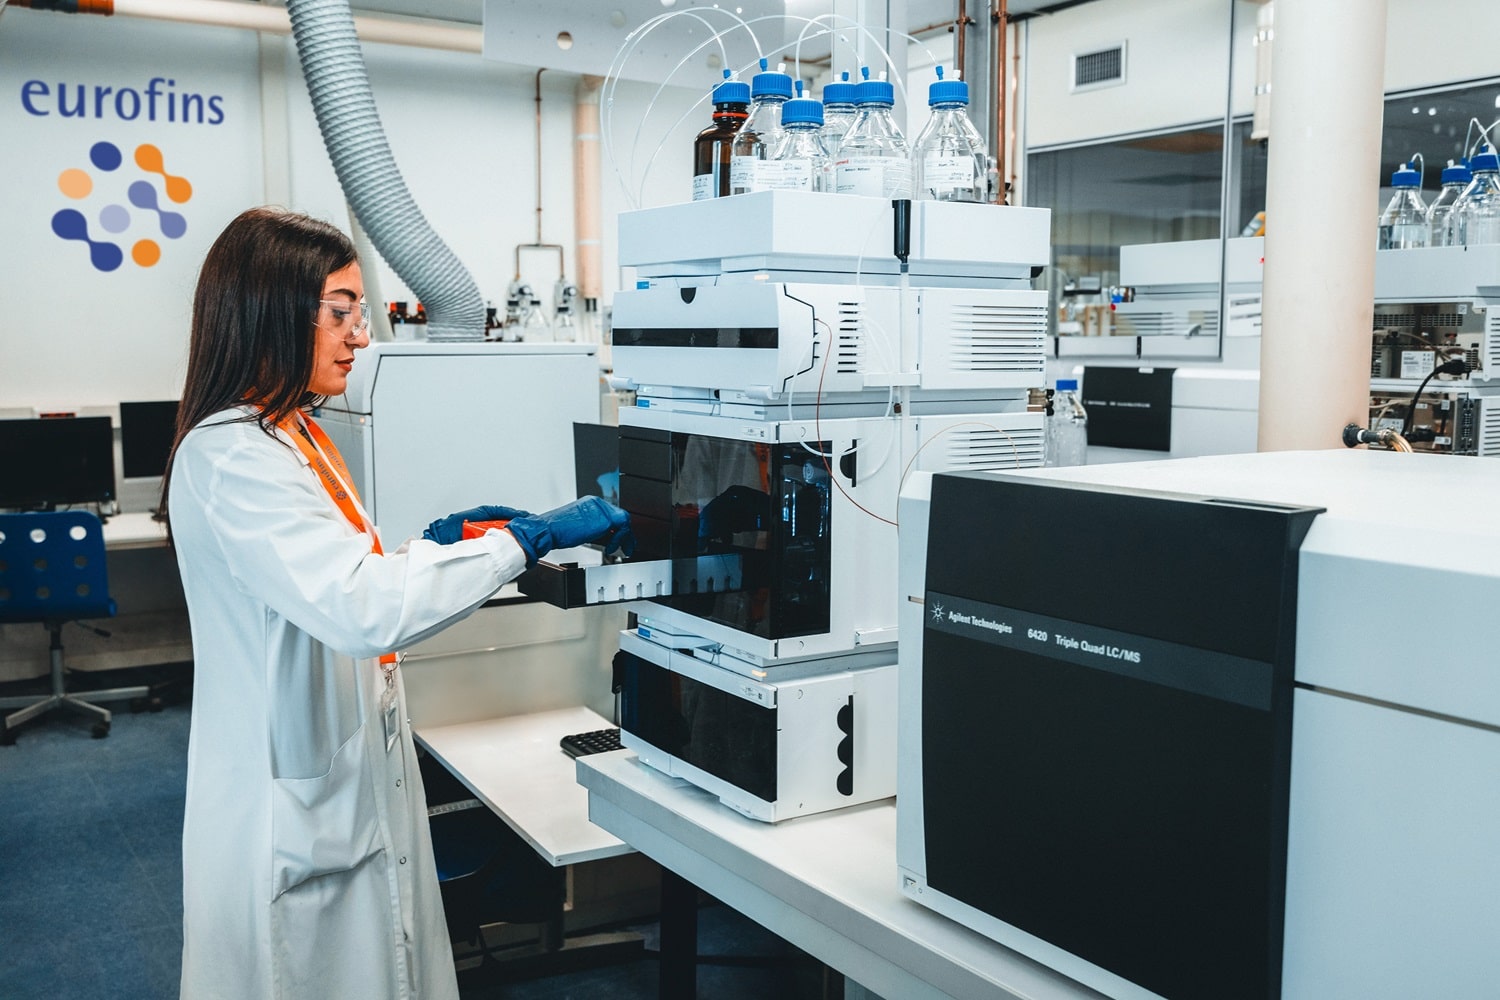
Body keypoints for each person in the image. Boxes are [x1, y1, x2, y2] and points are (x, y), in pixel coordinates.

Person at [163, 207, 632, 999]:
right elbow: (360, 606)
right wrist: (526, 541)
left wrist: (442, 547)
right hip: (290, 814)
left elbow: (346, 573)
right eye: (341, 313)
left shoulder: (295, 435)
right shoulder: (231, 455)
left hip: (345, 783)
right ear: (272, 314)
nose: (359, 337)